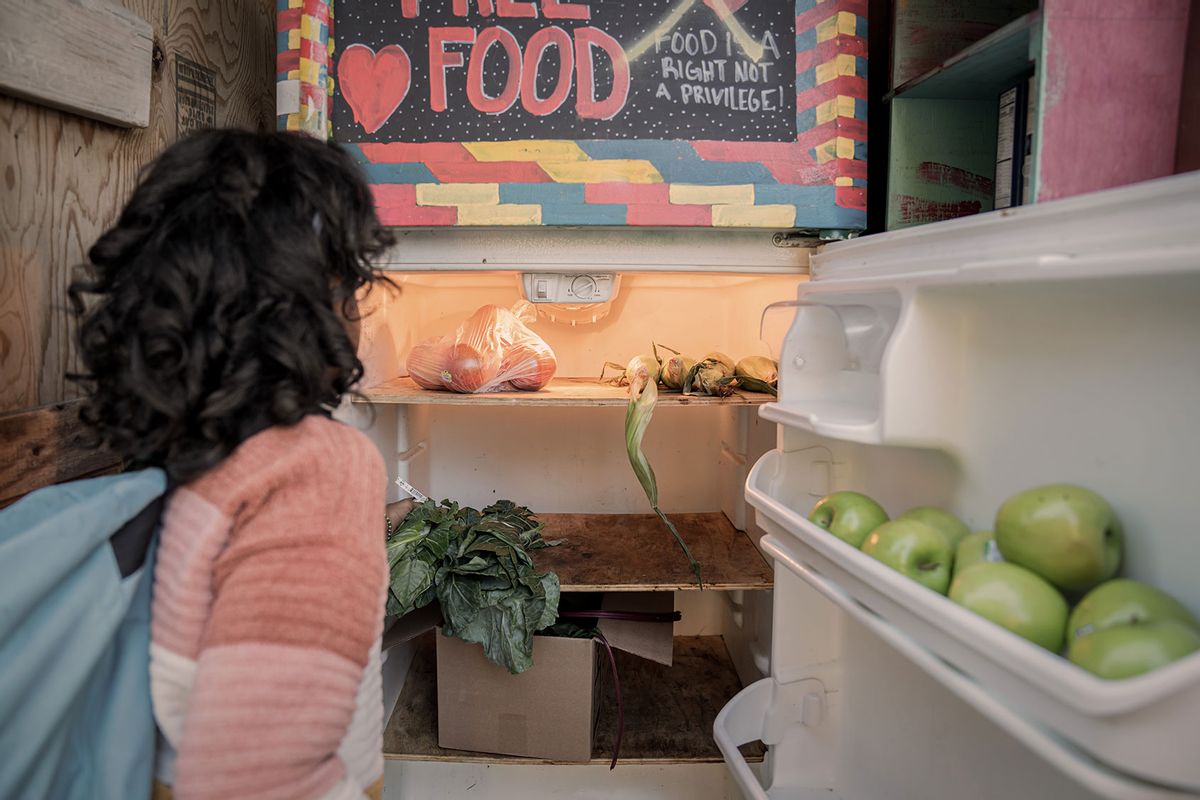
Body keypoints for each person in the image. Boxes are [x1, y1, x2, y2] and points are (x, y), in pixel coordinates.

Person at [69, 129, 412, 800]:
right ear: (324, 296)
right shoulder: (320, 470)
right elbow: (253, 782)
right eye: (351, 279)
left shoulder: (191, 450)